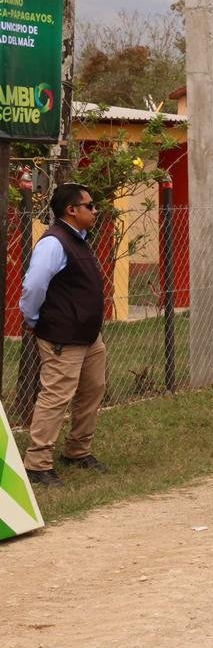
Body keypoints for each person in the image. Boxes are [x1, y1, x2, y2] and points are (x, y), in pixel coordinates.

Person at [20, 184, 109, 487]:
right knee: (56, 397)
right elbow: (33, 286)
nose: (95, 210)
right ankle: (37, 464)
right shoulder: (54, 243)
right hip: (62, 337)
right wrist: (32, 318)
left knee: (93, 389)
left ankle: (77, 451)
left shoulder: (79, 240)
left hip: (88, 336)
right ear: (71, 210)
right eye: (90, 205)